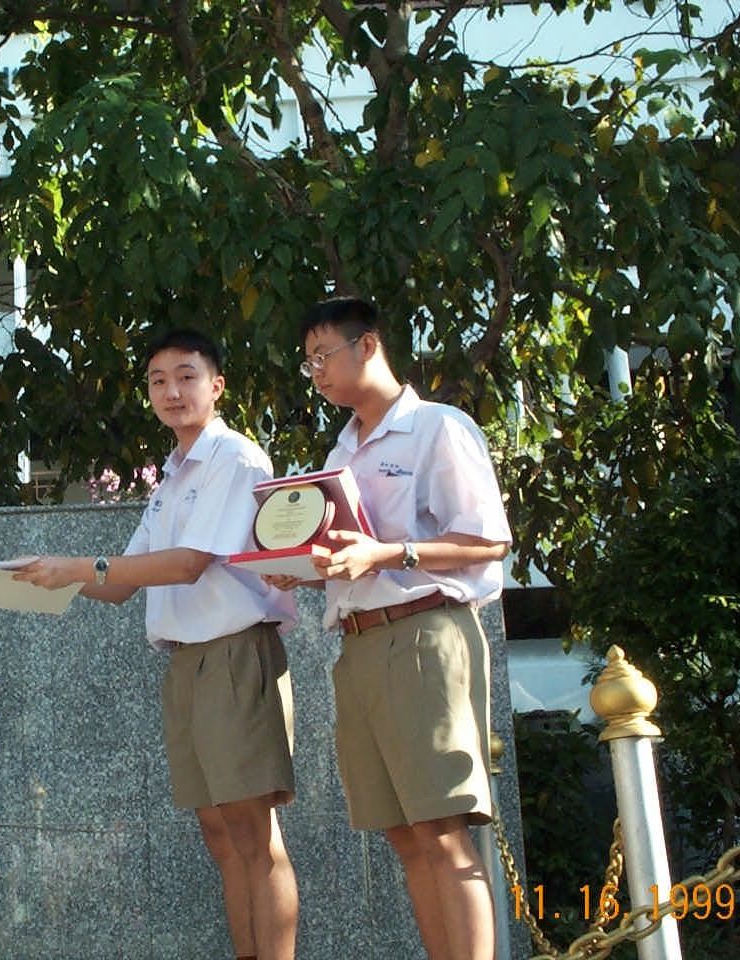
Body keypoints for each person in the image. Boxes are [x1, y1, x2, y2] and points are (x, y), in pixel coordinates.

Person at [14, 329, 300, 960]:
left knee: (254, 835)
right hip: (186, 662)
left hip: (234, 653)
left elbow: (190, 563)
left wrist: (78, 567)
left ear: (216, 385)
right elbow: (121, 582)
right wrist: (38, 575)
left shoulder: (234, 457)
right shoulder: (171, 476)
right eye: (158, 381)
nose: (172, 391)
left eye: (186, 376)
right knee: (220, 836)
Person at [278, 296, 512, 960]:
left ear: (368, 346)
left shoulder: (437, 427)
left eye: (323, 355)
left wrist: (388, 554)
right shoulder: (341, 451)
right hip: (358, 643)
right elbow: (354, 555)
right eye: (308, 363)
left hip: (423, 634)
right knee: (404, 835)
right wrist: (303, 570)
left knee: (441, 830)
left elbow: (488, 542)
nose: (317, 373)